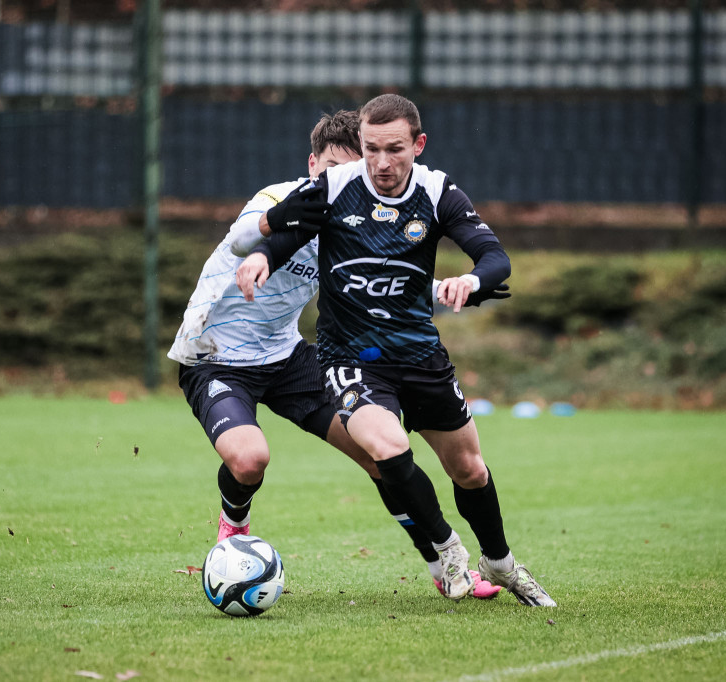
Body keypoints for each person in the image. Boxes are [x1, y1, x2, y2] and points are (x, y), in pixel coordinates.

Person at [168, 109, 502, 600]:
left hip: (286, 357)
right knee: (249, 460)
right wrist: (261, 248)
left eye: (352, 172)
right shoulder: (278, 200)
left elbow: (393, 281)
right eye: (328, 170)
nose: (338, 182)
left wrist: (462, 287)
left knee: (378, 455)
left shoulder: (352, 220)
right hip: (215, 356)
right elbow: (245, 237)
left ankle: (444, 568)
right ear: (311, 165)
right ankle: (233, 527)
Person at [236, 94, 555, 607]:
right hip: (350, 359)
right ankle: (448, 552)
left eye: (394, 150)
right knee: (386, 447)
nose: (381, 164)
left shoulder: (436, 190)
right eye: (371, 150)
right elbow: (286, 234)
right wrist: (260, 258)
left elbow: (495, 257)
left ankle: (499, 561)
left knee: (470, 469)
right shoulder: (336, 186)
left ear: (418, 145)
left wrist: (471, 280)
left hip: (420, 355)